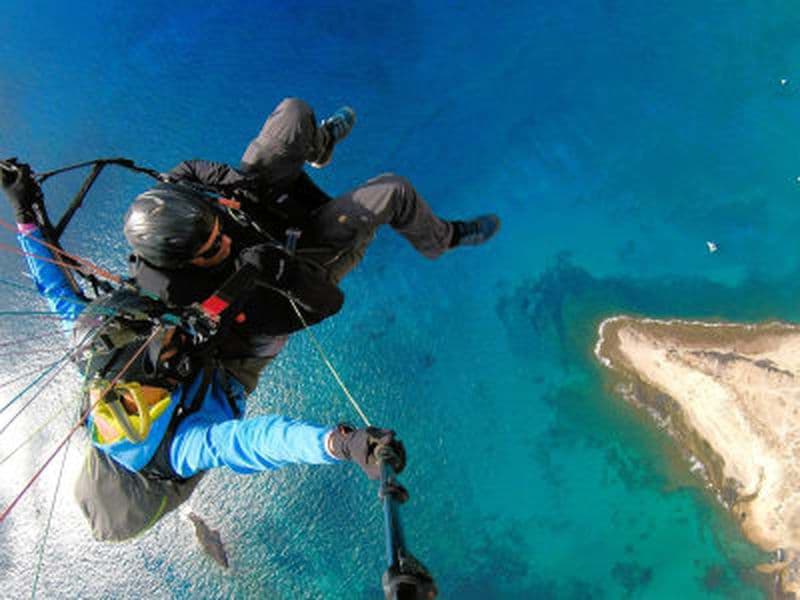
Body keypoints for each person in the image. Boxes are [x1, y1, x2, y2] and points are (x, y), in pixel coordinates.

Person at [1, 163, 406, 541]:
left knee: (195, 296)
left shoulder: (96, 350)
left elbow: (54, 289)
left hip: (173, 372)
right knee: (270, 323)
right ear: (163, 377)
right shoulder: (180, 449)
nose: (170, 333)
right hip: (230, 372)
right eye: (168, 345)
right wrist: (337, 444)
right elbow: (251, 442)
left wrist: (22, 209)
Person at [122, 98, 501, 383]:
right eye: (211, 249)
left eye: (215, 230)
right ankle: (442, 239)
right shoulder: (207, 298)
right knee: (395, 191)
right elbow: (325, 303)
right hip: (299, 261)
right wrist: (283, 271)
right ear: (185, 263)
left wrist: (233, 184)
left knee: (292, 114)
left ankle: (320, 145)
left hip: (260, 211)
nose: (221, 241)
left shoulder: (166, 209)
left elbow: (189, 170)